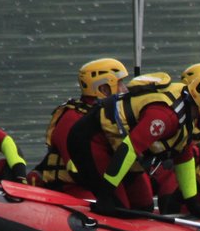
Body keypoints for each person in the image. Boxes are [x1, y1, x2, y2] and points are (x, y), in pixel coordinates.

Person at [68, 66, 200, 214]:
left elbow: (183, 155)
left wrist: (192, 203)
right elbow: (130, 148)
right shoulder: (167, 115)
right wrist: (106, 194)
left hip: (118, 146)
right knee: (118, 208)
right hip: (93, 139)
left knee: (144, 205)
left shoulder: (186, 110)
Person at [33, 57, 155, 210]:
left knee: (142, 200)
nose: (125, 90)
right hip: (73, 187)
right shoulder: (72, 118)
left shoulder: (116, 115)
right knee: (117, 206)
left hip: (108, 177)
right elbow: (77, 168)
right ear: (103, 88)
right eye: (120, 84)